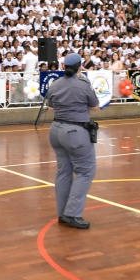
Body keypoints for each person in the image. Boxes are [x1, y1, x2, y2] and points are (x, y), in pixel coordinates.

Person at [44, 53, 99, 229]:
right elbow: (95, 107)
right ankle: (73, 213)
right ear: (79, 67)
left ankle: (62, 213)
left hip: (56, 130)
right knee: (85, 171)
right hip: (75, 131)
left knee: (63, 171)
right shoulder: (83, 85)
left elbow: (50, 107)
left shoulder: (55, 84)